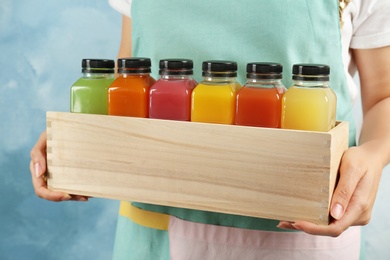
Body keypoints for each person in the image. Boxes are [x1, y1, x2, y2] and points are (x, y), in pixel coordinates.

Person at [30, 0, 390, 258]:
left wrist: (372, 157)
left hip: (300, 229)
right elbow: (130, 79)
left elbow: (383, 95)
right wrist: (77, 137)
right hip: (155, 219)